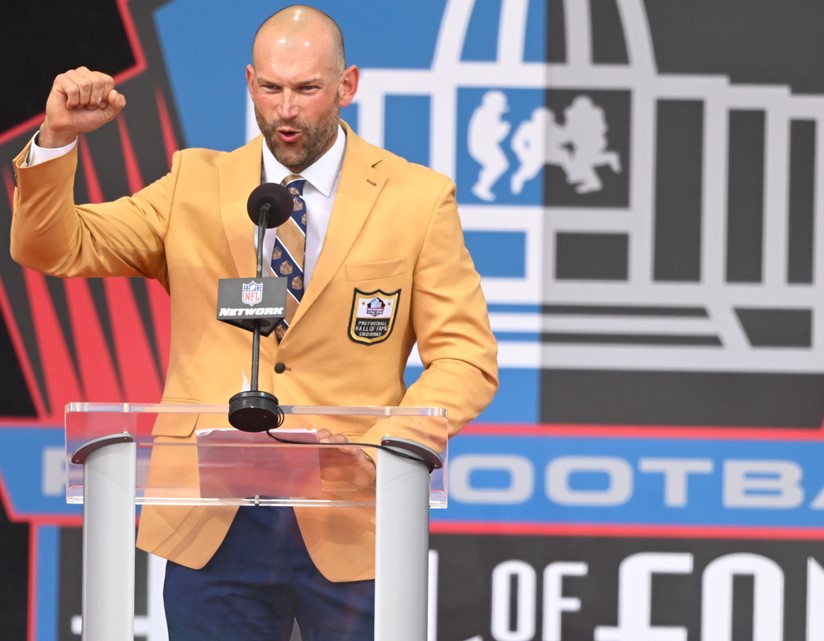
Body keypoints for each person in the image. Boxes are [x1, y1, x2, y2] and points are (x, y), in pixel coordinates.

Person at [10, 5, 498, 640]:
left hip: (350, 513)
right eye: (271, 88)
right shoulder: (195, 183)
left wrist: (395, 445)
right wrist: (57, 140)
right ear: (249, 83)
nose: (286, 110)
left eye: (306, 89)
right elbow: (53, 246)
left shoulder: (415, 198)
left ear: (347, 85)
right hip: (211, 518)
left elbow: (466, 355)